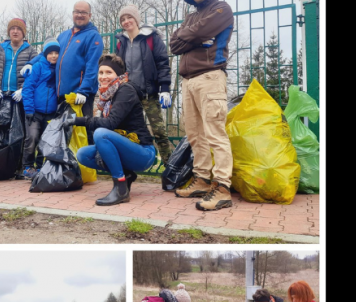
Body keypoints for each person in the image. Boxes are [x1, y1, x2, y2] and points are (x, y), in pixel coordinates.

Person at [170, 0, 235, 211]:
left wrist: (190, 36)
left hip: (210, 76)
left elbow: (196, 33)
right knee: (194, 134)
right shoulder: (191, 16)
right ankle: (202, 179)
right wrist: (195, 38)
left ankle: (223, 186)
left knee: (215, 133)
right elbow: (174, 44)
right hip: (188, 80)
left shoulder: (221, 9)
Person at [68, 54, 156, 206]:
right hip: (126, 149)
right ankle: (127, 175)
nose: (103, 76)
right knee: (83, 154)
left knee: (101, 134)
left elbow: (109, 123)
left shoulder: (125, 90)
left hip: (143, 152)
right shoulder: (107, 96)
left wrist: (78, 120)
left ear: (118, 75)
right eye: (101, 73)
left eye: (109, 72)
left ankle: (120, 188)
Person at [22, 1, 102, 144]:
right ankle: (64, 165)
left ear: (89, 15)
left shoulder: (93, 36)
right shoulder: (64, 35)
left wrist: (83, 91)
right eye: (77, 11)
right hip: (61, 97)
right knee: (64, 135)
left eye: (83, 12)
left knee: (83, 132)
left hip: (79, 96)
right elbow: (46, 53)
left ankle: (87, 163)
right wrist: (30, 63)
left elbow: (92, 66)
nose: (79, 15)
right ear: (72, 14)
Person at [115, 5, 173, 166]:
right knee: (128, 133)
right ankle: (130, 168)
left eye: (129, 17)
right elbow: (117, 69)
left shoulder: (151, 38)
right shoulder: (121, 43)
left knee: (159, 131)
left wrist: (165, 88)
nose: (126, 22)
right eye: (123, 19)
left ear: (136, 19)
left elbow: (162, 63)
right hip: (129, 97)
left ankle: (171, 168)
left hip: (149, 94)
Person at [0, 19, 38, 179]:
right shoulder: (1, 49)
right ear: (9, 31)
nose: (15, 31)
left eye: (18, 29)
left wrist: (23, 90)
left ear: (24, 32)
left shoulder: (30, 51)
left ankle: (19, 167)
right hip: (2, 97)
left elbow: (36, 73)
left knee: (20, 133)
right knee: (1, 132)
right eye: (12, 29)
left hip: (19, 98)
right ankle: (1, 166)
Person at [21, 37, 59, 179]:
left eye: (56, 53)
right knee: (32, 138)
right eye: (50, 53)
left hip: (50, 113)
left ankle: (40, 166)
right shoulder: (38, 67)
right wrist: (29, 109)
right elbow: (28, 88)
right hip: (35, 111)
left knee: (46, 140)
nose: (53, 56)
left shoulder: (60, 69)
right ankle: (27, 166)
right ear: (45, 54)